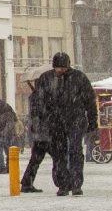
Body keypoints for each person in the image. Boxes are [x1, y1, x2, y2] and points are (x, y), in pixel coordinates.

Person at [34, 52, 98, 196]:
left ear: (68, 66)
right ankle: (63, 184)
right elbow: (39, 102)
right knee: (59, 154)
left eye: (63, 68)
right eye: (57, 68)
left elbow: (90, 101)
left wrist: (93, 121)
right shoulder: (47, 78)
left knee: (75, 151)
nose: (60, 71)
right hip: (56, 122)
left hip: (75, 120)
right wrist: (42, 119)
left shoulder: (79, 78)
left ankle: (76, 184)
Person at [20, 75, 51, 193]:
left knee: (35, 160)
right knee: (59, 159)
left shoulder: (35, 96)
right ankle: (65, 183)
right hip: (44, 133)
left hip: (38, 133)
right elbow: (43, 114)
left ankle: (26, 182)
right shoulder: (42, 97)